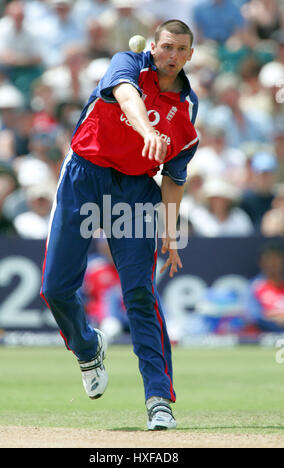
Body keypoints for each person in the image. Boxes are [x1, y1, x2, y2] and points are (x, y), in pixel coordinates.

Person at [40, 19, 199, 431]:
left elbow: (174, 177)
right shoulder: (126, 63)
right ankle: (87, 347)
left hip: (134, 191)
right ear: (153, 46)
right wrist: (147, 129)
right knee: (55, 288)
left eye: (181, 50)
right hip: (84, 174)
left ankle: (159, 398)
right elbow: (127, 96)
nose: (173, 56)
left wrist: (170, 231)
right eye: (167, 47)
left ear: (190, 55)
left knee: (139, 294)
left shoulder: (187, 109)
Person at [246, 243, 284, 332]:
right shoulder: (254, 286)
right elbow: (253, 315)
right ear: (261, 263)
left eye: (276, 258)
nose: (273, 263)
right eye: (268, 259)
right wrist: (276, 318)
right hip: (267, 334)